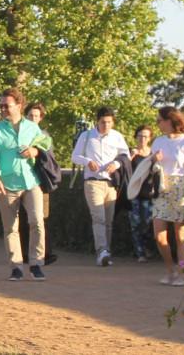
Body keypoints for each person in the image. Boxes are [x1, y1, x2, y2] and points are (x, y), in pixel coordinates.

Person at [0, 88, 49, 281]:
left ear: (19, 106)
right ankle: (16, 267)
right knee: (10, 227)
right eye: (1, 105)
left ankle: (37, 264)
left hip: (31, 181)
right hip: (7, 183)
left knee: (37, 221)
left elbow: (45, 145)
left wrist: (34, 151)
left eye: (7, 105)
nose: (3, 108)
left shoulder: (32, 127)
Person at [71, 106, 131, 267]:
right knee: (99, 217)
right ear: (97, 121)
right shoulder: (87, 136)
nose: (106, 125)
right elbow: (75, 156)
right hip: (92, 182)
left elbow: (126, 155)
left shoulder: (117, 137)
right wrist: (87, 161)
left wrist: (116, 163)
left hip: (111, 183)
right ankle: (101, 251)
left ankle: (107, 252)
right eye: (103, 122)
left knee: (109, 220)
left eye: (109, 122)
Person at [152, 106, 184, 286]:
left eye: (160, 120)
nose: (158, 123)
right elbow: (150, 168)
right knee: (159, 236)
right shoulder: (158, 142)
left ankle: (182, 273)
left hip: (181, 188)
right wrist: (154, 159)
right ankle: (170, 269)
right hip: (162, 187)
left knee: (181, 236)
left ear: (169, 120)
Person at [17, 102, 57, 266]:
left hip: (40, 181)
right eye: (30, 115)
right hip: (21, 181)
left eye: (36, 116)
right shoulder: (19, 134)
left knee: (41, 218)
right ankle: (25, 253)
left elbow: (50, 159)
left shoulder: (44, 136)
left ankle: (44, 253)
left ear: (41, 118)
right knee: (23, 218)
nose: (33, 118)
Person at [129, 125, 160, 262]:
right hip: (134, 193)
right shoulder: (131, 153)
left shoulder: (153, 154)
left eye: (146, 136)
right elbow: (125, 171)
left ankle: (146, 248)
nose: (142, 139)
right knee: (135, 222)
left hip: (149, 193)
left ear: (150, 138)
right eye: (140, 136)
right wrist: (130, 157)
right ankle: (139, 252)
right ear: (136, 137)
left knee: (148, 222)